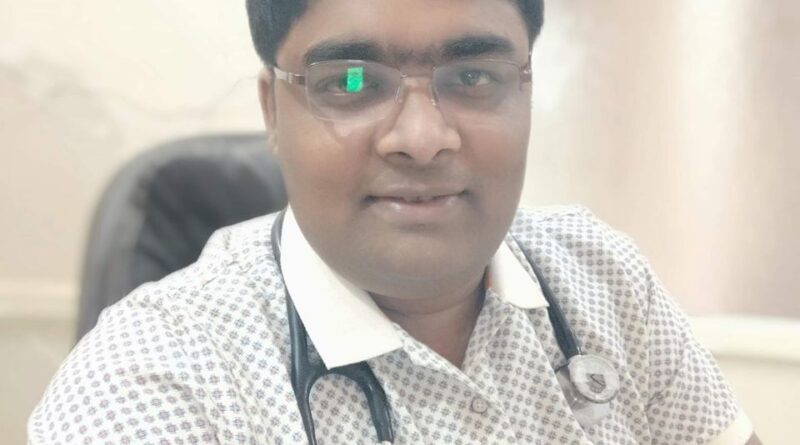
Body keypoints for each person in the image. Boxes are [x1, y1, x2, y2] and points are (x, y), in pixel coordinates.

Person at [29, 0, 761, 443]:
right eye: (351, 81)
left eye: (472, 77)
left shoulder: (603, 280)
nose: (422, 136)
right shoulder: (150, 383)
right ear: (273, 111)